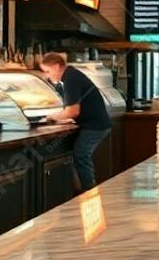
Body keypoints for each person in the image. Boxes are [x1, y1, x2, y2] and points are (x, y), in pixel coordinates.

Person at [39, 52, 111, 192]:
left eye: (48, 71)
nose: (47, 76)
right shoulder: (71, 75)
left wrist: (52, 117)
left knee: (81, 154)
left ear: (57, 66)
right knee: (80, 155)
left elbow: (73, 111)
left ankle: (89, 193)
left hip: (95, 125)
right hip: (96, 123)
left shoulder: (70, 78)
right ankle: (82, 192)